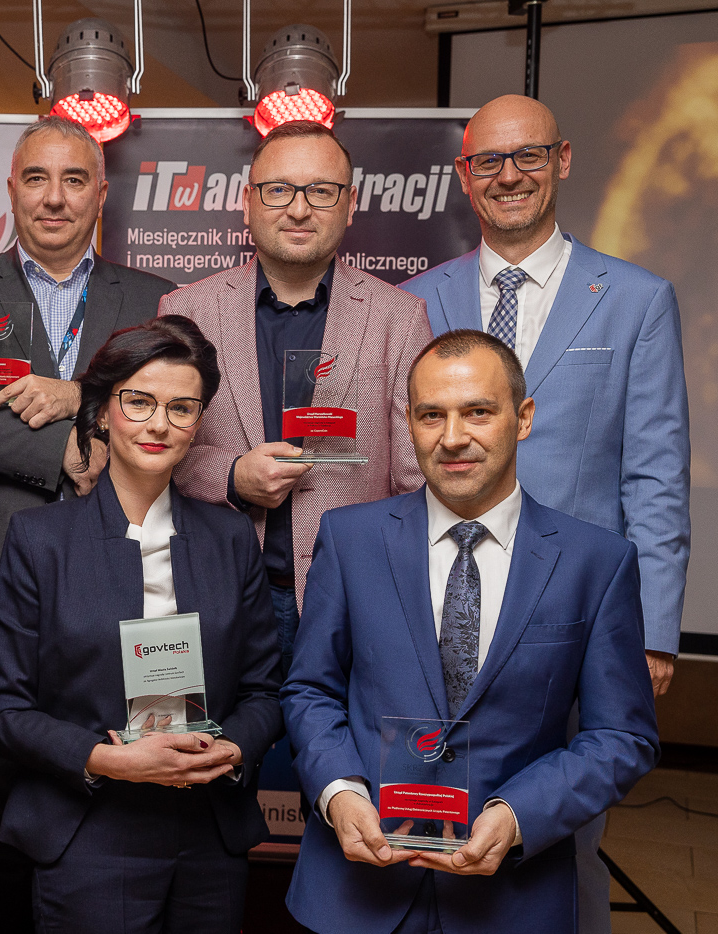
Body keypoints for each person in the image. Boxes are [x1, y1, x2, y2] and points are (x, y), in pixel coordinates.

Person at [401, 94, 689, 934]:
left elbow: (656, 470)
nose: (509, 176)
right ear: (464, 177)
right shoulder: (418, 299)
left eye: (527, 156)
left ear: (562, 160)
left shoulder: (636, 298)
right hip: (448, 594)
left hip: (580, 613)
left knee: (566, 829)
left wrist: (657, 629)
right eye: (488, 161)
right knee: (446, 814)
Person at [280, 329, 658, 934]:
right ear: (409, 423)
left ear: (523, 417)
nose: (453, 438)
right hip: (356, 893)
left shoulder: (596, 562)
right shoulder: (350, 540)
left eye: (477, 411)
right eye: (432, 415)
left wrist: (519, 814)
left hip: (512, 897)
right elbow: (310, 691)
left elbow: (621, 736)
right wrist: (337, 791)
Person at [0, 116, 174, 933]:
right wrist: (61, 446)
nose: (54, 198)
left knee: (127, 781)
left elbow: (179, 407)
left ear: (101, 193)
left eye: (73, 180)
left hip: (123, 572)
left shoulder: (151, 297)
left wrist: (81, 398)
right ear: (12, 189)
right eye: (36, 179)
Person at [0, 316, 282, 933]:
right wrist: (106, 759)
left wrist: (234, 747)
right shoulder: (42, 541)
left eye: (181, 408)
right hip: (90, 831)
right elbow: (2, 712)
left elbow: (265, 693)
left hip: (207, 834)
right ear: (100, 411)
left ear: (198, 424)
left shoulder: (229, 537)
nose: (158, 424)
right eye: (138, 401)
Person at [160, 120, 430, 674]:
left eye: (321, 191)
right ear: (247, 201)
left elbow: (414, 478)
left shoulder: (398, 318)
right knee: (215, 757)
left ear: (350, 204)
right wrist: (234, 476)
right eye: (279, 189)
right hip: (218, 597)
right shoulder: (187, 311)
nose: (299, 209)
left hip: (350, 601)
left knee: (338, 761)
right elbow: (161, 456)